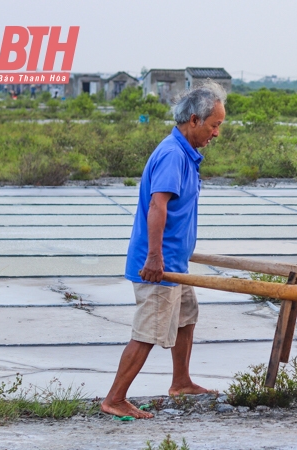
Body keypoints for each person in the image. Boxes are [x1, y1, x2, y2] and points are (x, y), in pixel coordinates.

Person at [100, 82, 227, 419]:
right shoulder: (173, 154)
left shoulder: (186, 153)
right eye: (214, 125)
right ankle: (114, 398)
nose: (216, 133)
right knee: (148, 332)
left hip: (176, 261)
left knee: (186, 318)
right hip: (159, 263)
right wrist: (154, 258)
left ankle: (181, 381)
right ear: (195, 120)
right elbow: (158, 207)